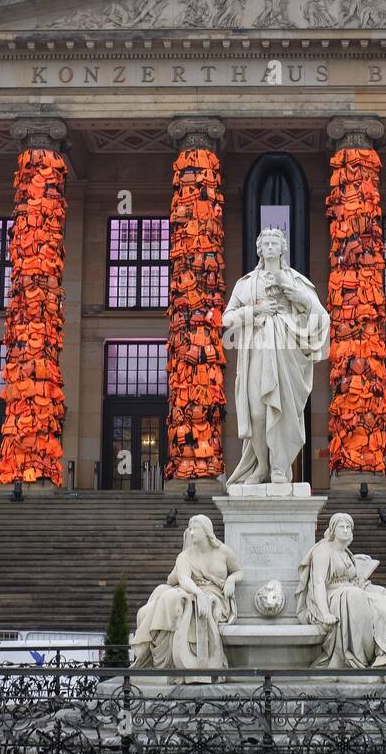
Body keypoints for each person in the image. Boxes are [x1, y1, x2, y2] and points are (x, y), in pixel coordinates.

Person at [222, 228, 328, 484]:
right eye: (265, 243)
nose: (270, 246)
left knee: (284, 413)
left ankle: (280, 468)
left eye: (274, 242)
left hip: (286, 352)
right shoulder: (245, 283)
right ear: (259, 249)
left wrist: (301, 297)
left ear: (282, 248)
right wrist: (254, 310)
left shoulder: (297, 280)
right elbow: (226, 319)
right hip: (257, 350)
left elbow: (322, 317)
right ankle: (261, 467)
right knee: (258, 413)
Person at [296, 512, 386, 669]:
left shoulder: (346, 552)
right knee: (355, 595)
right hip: (331, 595)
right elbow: (318, 583)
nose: (345, 530)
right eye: (341, 526)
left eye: (348, 527)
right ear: (333, 529)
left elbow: (350, 576)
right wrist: (325, 613)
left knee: (382, 593)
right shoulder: (322, 551)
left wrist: (359, 561)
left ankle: (384, 654)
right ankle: (361, 657)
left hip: (350, 588)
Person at [130, 515, 242, 673]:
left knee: (170, 597)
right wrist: (198, 593)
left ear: (206, 530)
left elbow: (239, 571)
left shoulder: (223, 551)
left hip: (216, 597)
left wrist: (231, 579)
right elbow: (183, 578)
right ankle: (161, 661)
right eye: (190, 529)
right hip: (192, 591)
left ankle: (168, 662)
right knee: (153, 607)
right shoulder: (185, 556)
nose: (191, 533)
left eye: (195, 529)